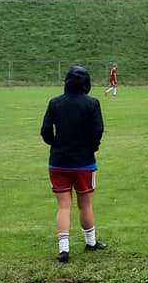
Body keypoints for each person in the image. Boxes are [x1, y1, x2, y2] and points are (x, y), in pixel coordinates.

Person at [41, 66, 107, 263]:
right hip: (84, 162)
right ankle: (91, 242)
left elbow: (45, 131)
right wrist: (91, 148)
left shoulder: (55, 103)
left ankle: (64, 249)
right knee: (85, 204)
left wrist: (56, 145)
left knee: (63, 206)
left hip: (58, 162)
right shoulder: (92, 103)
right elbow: (98, 130)